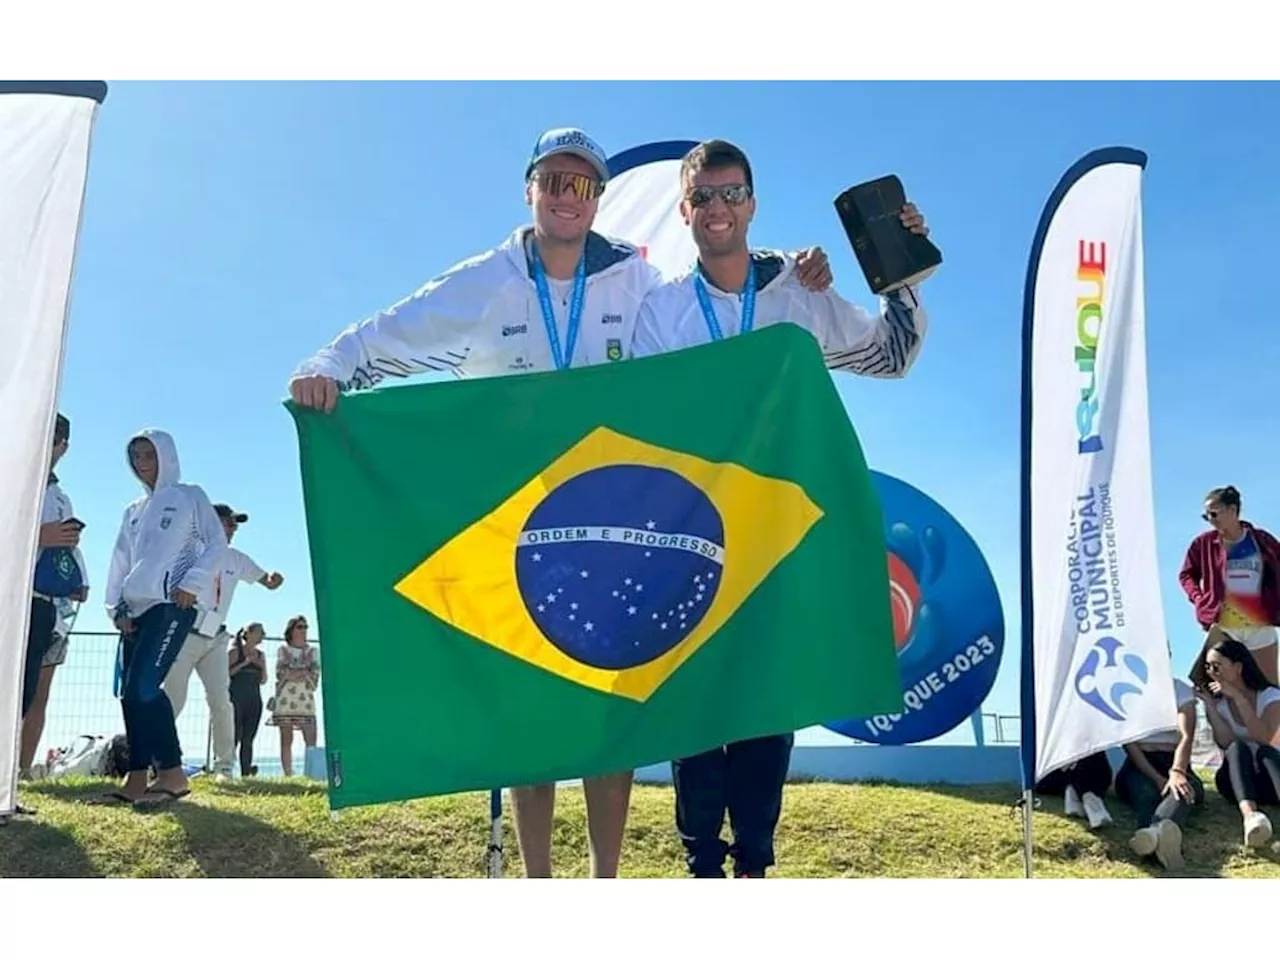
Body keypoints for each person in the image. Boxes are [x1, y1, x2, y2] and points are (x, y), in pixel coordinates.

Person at [288, 126, 834, 879]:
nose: (567, 197)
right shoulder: (485, 280)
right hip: (518, 529)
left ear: (600, 197)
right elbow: (393, 332)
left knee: (607, 724)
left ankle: (603, 881)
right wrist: (330, 365)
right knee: (530, 723)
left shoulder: (636, 281)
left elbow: (714, 314)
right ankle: (540, 882)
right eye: (554, 182)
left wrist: (788, 268)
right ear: (530, 190)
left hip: (613, 529)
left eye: (582, 185)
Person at [630, 139, 934, 878]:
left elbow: (889, 356)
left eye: (732, 194)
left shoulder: (798, 293)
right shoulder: (662, 311)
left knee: (769, 701)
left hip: (778, 539)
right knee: (697, 703)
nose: (719, 209)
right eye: (704, 197)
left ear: (753, 204)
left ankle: (755, 867)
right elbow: (634, 421)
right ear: (685, 210)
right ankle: (702, 863)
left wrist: (904, 270)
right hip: (692, 538)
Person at [92, 429, 227, 809]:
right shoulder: (133, 511)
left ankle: (172, 773)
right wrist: (115, 609)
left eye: (148, 454)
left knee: (144, 688)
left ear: (165, 455)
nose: (141, 462)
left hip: (172, 605)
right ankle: (136, 777)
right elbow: (120, 562)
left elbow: (215, 543)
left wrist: (192, 583)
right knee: (129, 694)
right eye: (134, 455)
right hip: (135, 611)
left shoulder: (189, 496)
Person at [161, 502, 283, 782]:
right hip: (184, 635)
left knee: (221, 701)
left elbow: (266, 580)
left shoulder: (235, 559)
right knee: (172, 700)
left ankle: (224, 767)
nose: (233, 529)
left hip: (216, 638)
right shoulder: (187, 552)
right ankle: (159, 761)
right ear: (209, 524)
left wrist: (273, 579)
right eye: (229, 523)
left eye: (234, 525)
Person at [21, 413, 88, 778]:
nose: (52, 445)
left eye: (57, 438)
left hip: (49, 605)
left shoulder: (61, 496)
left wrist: (79, 579)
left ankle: (20, 773)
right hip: (14, 599)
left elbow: (67, 546)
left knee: (34, 692)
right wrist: (35, 536)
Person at [1180, 485, 1280, 685]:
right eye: (1206, 515)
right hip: (1224, 624)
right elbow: (1186, 575)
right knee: (1214, 687)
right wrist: (1200, 600)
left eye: (1214, 513)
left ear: (1232, 510)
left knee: (1268, 688)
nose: (1210, 519)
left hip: (1258, 623)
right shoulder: (1202, 544)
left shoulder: (1260, 540)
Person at [1191, 630, 1280, 848]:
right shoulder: (1220, 704)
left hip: (1272, 774)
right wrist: (1211, 707)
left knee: (1265, 752)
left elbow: (1266, 737)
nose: (1212, 672)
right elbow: (1226, 743)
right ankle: (1251, 817)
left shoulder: (1270, 696)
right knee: (1236, 748)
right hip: (1239, 780)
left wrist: (1239, 698)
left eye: (1217, 666)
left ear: (1238, 668)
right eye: (1208, 667)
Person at [1116, 675, 1203, 870]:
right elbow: (1129, 742)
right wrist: (1156, 778)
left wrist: (1177, 771)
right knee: (1147, 793)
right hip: (1140, 763)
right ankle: (1156, 839)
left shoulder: (1180, 688)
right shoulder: (1125, 687)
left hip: (1173, 759)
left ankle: (1151, 835)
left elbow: (1186, 735)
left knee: (1182, 789)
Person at [268, 615, 319, 777]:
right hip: (286, 700)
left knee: (310, 737)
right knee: (286, 738)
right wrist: (302, 672)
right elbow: (280, 673)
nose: (303, 630)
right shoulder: (283, 650)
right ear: (291, 630)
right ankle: (288, 773)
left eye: (305, 627)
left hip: (305, 700)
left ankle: (311, 773)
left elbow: (315, 675)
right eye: (300, 627)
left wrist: (294, 673)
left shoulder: (313, 651)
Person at [228, 622, 268, 777]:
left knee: (248, 737)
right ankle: (227, 769)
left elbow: (264, 680)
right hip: (236, 698)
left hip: (254, 699)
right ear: (249, 633)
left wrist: (259, 664)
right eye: (260, 632)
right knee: (234, 736)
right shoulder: (234, 652)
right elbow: (226, 674)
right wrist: (244, 663)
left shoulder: (260, 655)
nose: (262, 635)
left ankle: (246, 771)